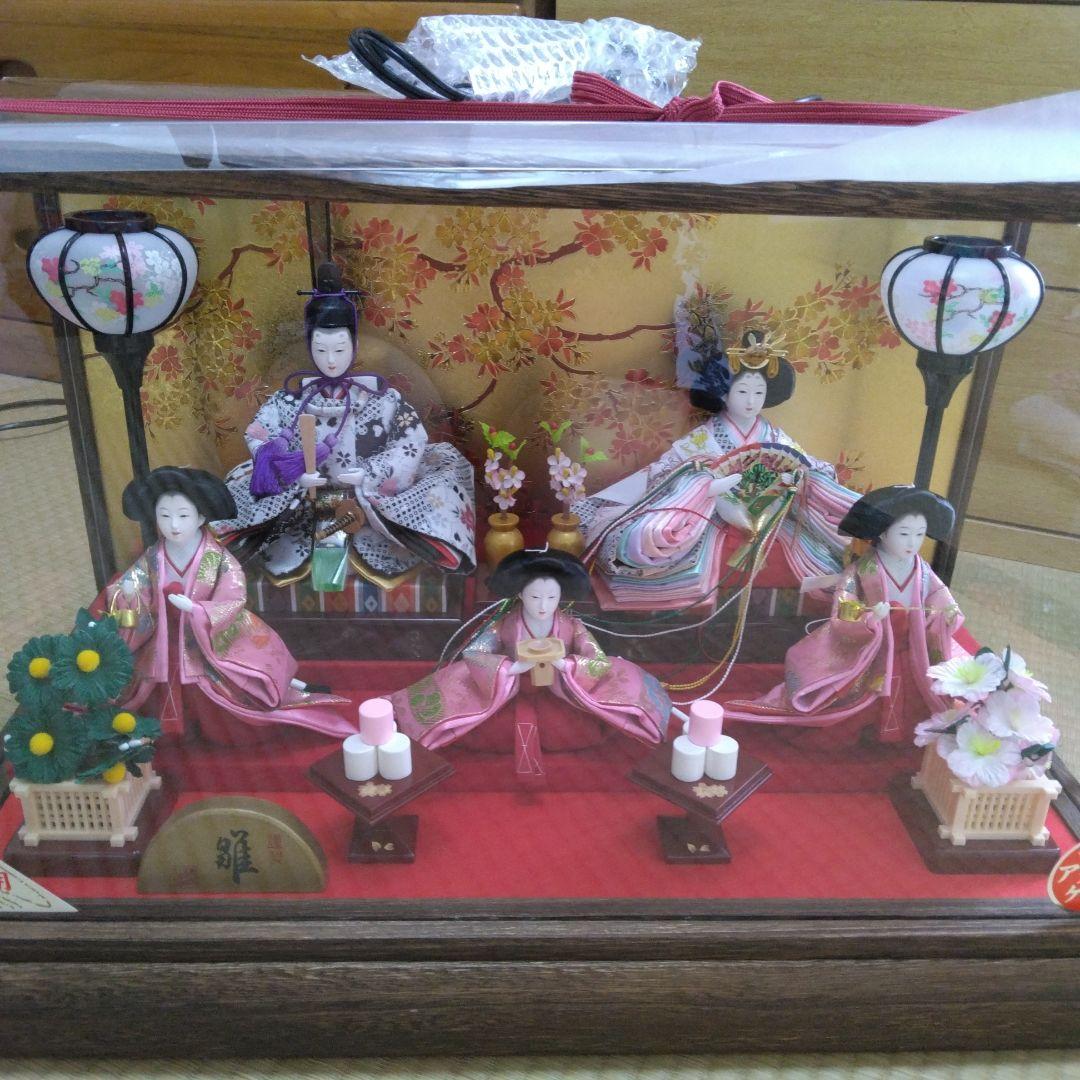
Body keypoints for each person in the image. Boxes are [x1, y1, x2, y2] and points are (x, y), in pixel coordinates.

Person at [214, 262, 475, 589]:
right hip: (302, 507)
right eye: (321, 350)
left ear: (354, 346)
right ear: (309, 347)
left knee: (438, 492)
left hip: (367, 508)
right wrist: (290, 471)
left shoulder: (381, 399)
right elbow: (258, 435)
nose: (331, 360)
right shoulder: (290, 400)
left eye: (339, 349)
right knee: (240, 500)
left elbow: (411, 440)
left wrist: (371, 472)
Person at [573, 320, 859, 606]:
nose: (751, 401)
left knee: (822, 555)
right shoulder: (704, 438)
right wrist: (705, 486)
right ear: (724, 392)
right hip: (710, 514)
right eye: (742, 391)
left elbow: (807, 466)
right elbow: (667, 471)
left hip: (766, 513)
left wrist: (793, 480)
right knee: (648, 538)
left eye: (758, 393)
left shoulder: (774, 437)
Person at [95, 466, 354, 740]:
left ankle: (218, 730)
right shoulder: (153, 557)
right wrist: (129, 592)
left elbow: (234, 596)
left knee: (220, 692)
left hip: (206, 639)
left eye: (183, 516)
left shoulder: (216, 558)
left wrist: (198, 610)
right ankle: (172, 731)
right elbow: (132, 587)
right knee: (152, 680)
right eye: (164, 516)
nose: (174, 525)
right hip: (162, 638)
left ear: (200, 517)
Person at [389, 549, 672, 774]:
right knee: (490, 731)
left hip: (562, 691)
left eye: (551, 597)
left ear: (561, 597)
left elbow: (596, 659)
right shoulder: (506, 624)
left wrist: (566, 665)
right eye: (535, 597)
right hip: (507, 692)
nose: (543, 605)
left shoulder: (571, 625)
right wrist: (511, 668)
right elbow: (475, 653)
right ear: (521, 594)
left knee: (572, 729)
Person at [722, 485, 965, 744]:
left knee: (916, 691)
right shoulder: (861, 571)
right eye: (904, 533)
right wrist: (870, 618)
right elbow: (844, 609)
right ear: (882, 533)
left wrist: (947, 613)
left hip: (910, 647)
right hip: (872, 648)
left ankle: (901, 735)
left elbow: (939, 596)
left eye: (920, 534)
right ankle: (867, 733)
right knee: (861, 699)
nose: (912, 542)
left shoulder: (923, 570)